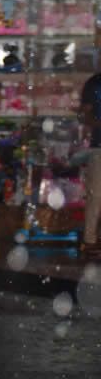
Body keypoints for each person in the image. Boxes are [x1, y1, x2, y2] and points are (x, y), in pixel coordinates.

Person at [75, 72, 101, 256]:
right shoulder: (95, 83)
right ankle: (91, 240)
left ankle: (91, 239)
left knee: (96, 194)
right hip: (99, 146)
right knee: (96, 194)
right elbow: (83, 114)